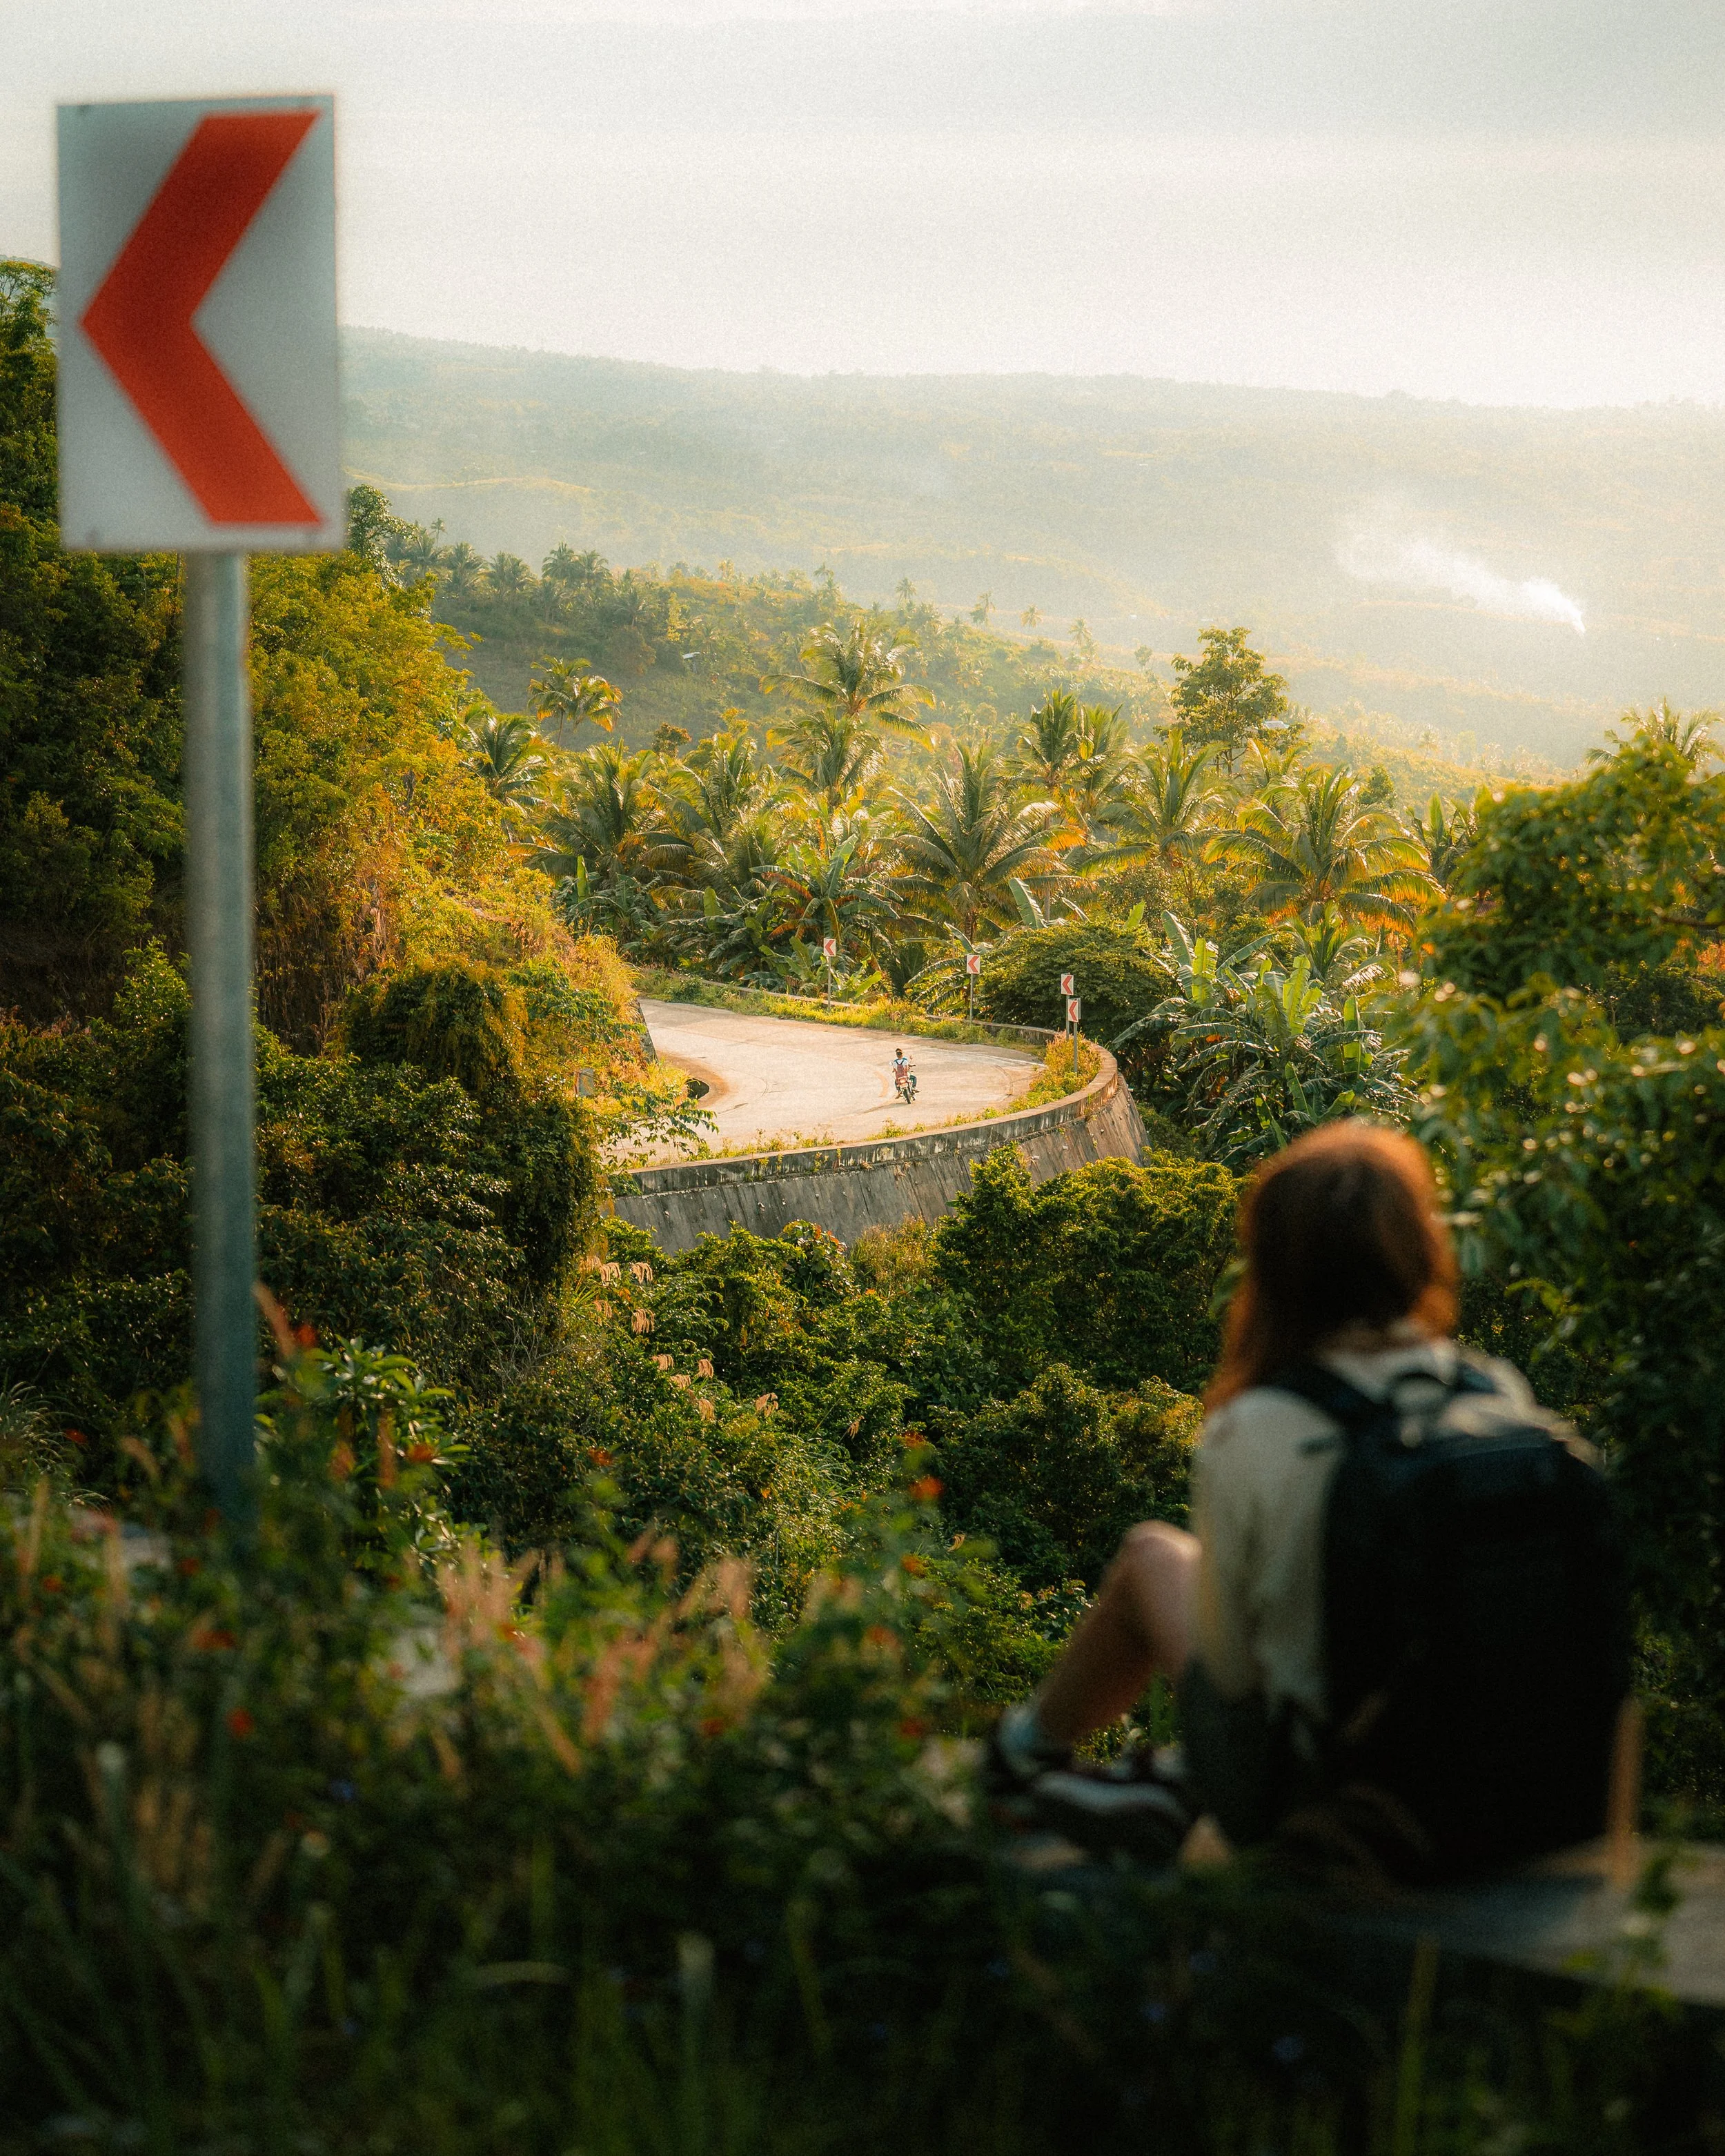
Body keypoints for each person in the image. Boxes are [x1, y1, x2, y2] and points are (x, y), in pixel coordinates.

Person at [990, 1118, 1625, 1877]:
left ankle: (1021, 1761)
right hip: (1540, 1805)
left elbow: (1227, 1673)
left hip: (1335, 1811)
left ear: (1274, 1263)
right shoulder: (1496, 1394)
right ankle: (1155, 1783)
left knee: (1152, 1556)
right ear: (1417, 1248)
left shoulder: (1257, 1426)